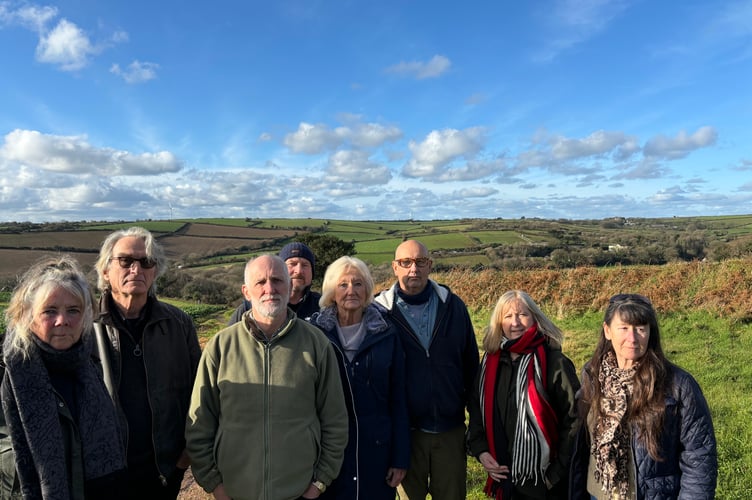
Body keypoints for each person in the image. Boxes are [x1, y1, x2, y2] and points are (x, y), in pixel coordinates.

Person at [186, 254, 349, 500]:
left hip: (298, 492)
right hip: (234, 491)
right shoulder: (220, 346)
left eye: (277, 280)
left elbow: (335, 419)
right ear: (246, 291)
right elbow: (199, 424)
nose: (270, 288)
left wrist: (319, 482)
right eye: (260, 282)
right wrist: (214, 484)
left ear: (289, 285)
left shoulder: (317, 344)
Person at [0, 256, 127, 499]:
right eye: (49, 311)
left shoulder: (91, 368)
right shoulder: (8, 376)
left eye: (73, 310)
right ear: (27, 316)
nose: (63, 321)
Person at [569, 293, 717, 499]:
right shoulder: (592, 376)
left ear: (650, 333)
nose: (632, 338)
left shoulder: (678, 384)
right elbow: (582, 446)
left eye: (640, 328)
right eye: (624, 328)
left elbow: (699, 456)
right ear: (607, 331)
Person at [93, 226, 201, 499]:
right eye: (125, 261)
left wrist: (184, 457)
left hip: (164, 470)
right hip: (103, 473)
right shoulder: (83, 326)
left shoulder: (179, 323)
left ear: (155, 271)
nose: (136, 269)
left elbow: (200, 391)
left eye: (146, 262)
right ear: (106, 271)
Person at [374, 239, 480, 500]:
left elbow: (471, 367)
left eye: (420, 262)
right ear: (394, 267)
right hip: (404, 434)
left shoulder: (454, 307)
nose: (414, 269)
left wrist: (476, 424)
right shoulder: (378, 313)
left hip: (450, 430)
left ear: (430, 265)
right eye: (406, 262)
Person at [310, 256, 410, 500]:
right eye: (343, 285)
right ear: (331, 291)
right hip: (329, 455)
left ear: (367, 289)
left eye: (358, 284)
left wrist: (400, 457)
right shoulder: (315, 334)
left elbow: (398, 398)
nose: (351, 291)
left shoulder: (386, 333)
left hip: (377, 451)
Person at [466, 290, 580, 499]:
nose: (515, 323)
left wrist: (554, 475)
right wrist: (481, 451)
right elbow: (476, 410)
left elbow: (574, 420)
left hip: (544, 484)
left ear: (535, 318)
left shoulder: (555, 363)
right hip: (503, 478)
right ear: (499, 322)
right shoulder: (490, 363)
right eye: (508, 316)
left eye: (522, 315)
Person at [228, 241, 321, 324]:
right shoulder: (248, 308)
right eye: (292, 264)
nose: (299, 270)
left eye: (305, 265)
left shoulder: (322, 306)